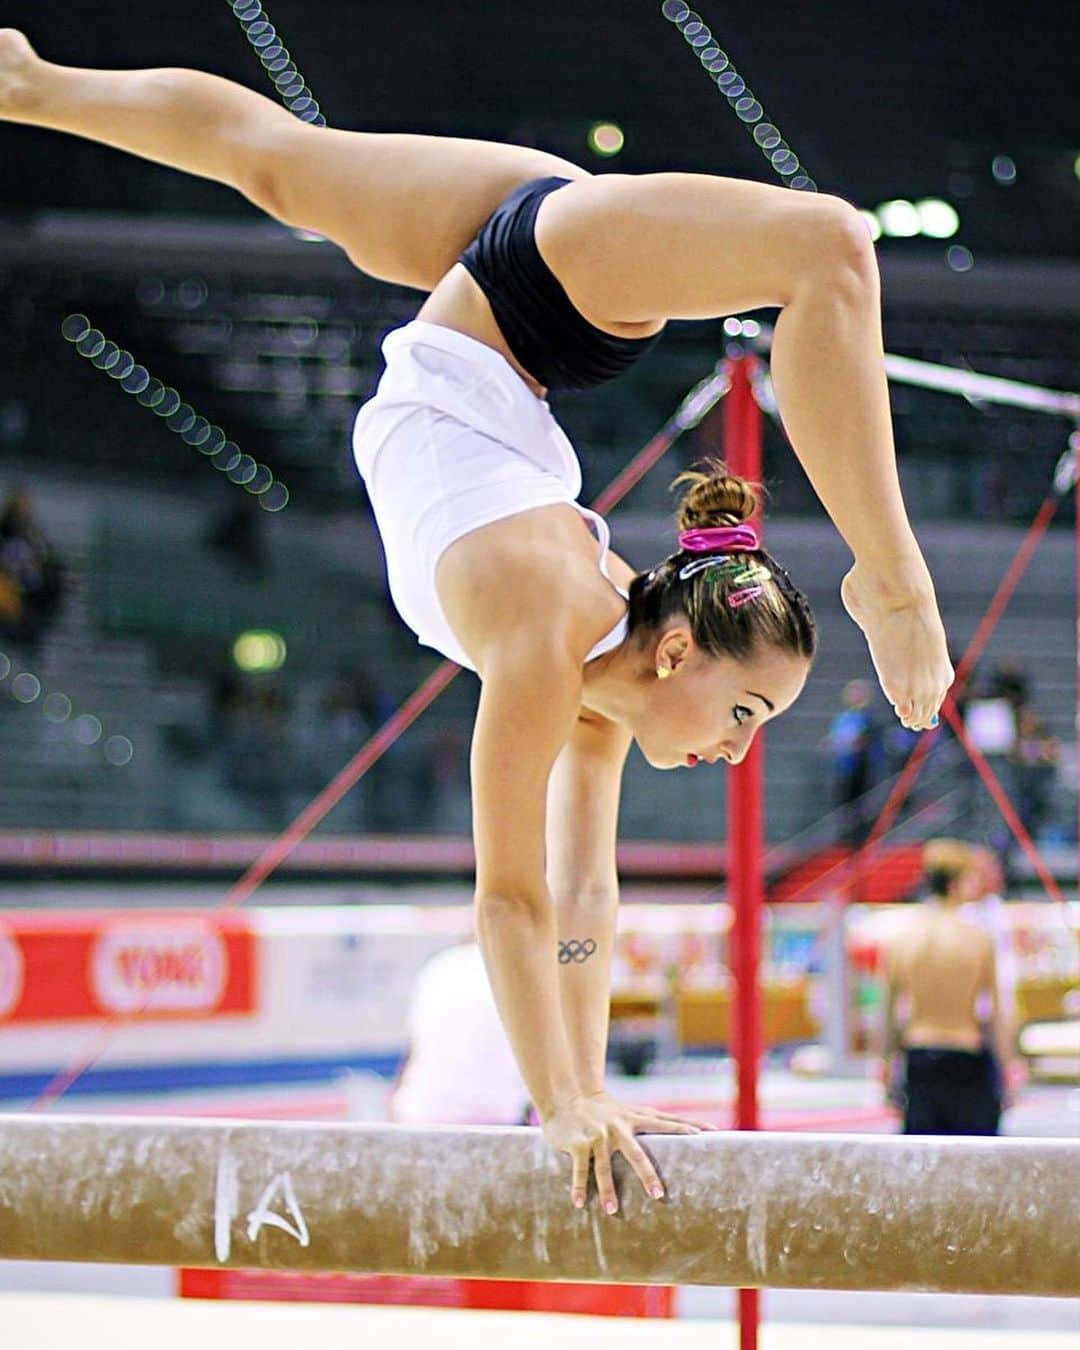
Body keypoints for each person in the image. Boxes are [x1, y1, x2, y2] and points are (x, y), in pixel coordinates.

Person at [0, 30, 953, 1212]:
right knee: (834, 245)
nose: (739, 749)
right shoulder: (550, 632)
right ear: (676, 649)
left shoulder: (601, 676)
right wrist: (556, 1104)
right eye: (747, 709)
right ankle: (893, 578)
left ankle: (24, 83)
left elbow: (582, 901)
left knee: (279, 162)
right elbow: (508, 897)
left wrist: (590, 1083)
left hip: (512, 313)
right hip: (547, 287)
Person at [881, 839, 1013, 1135]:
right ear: (956, 884)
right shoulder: (978, 940)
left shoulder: (902, 939)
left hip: (920, 1055)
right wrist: (1008, 1067)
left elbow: (890, 1014)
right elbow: (993, 1012)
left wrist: (886, 1065)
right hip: (965, 1051)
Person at [391, 941, 531, 1127]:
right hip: (498, 1116)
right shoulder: (523, 969)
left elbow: (414, 1050)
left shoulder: (441, 965)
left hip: (420, 1111)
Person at [825, 677, 884, 844]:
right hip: (845, 768)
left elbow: (865, 741)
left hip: (863, 769)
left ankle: (861, 839)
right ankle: (846, 838)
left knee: (861, 806)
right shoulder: (843, 718)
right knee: (845, 805)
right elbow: (835, 740)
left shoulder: (869, 719)